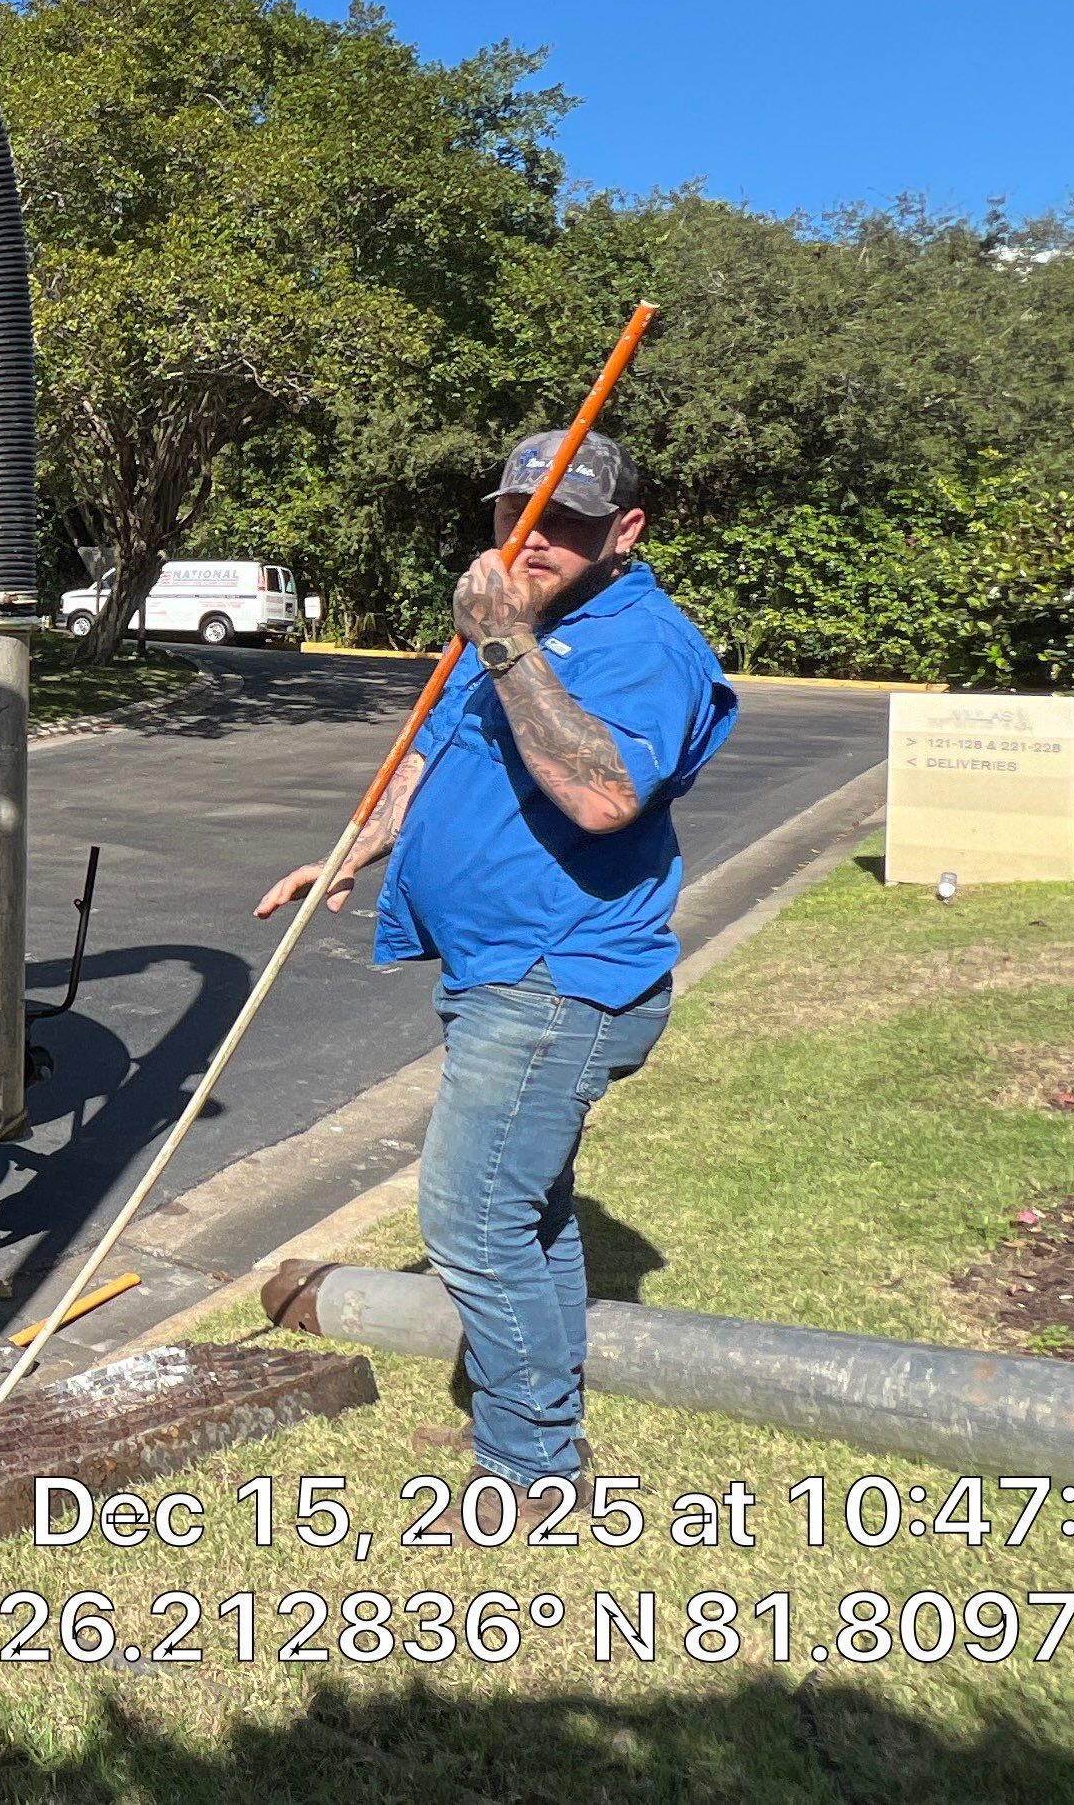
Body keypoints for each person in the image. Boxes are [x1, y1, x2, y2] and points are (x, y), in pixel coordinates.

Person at [256, 430, 737, 1491]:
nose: (536, 537)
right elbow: (438, 752)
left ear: (625, 532)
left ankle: (529, 1467)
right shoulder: (516, 630)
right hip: (501, 969)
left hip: (562, 978)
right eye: (519, 513)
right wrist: (353, 849)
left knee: (472, 1222)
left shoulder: (645, 646)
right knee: (530, 1213)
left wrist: (510, 644)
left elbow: (605, 797)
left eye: (567, 520)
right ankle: (531, 1421)